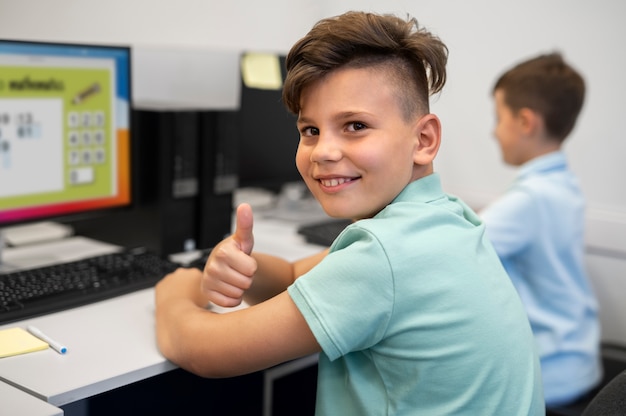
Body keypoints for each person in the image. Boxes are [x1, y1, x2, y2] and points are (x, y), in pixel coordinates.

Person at [155, 11, 544, 414]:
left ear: (424, 140)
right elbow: (292, 277)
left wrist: (176, 293)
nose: (323, 151)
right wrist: (240, 265)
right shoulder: (443, 218)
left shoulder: (386, 256)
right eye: (310, 130)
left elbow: (208, 352)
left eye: (355, 125)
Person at [479, 53, 602, 408]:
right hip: (578, 360)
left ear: (525, 122)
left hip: (549, 373)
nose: (493, 131)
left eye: (497, 118)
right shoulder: (563, 185)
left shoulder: (530, 199)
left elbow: (457, 249)